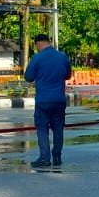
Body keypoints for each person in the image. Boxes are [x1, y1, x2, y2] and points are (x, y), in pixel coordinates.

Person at [23, 33, 71, 168]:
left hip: (43, 100)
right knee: (58, 128)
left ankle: (44, 158)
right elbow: (68, 75)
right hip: (59, 100)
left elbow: (28, 77)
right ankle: (57, 157)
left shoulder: (37, 58)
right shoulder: (62, 57)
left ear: (38, 44)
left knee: (42, 128)